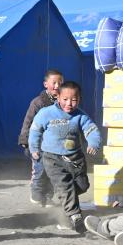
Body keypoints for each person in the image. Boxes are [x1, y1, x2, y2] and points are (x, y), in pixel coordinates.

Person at [28, 81, 102, 233]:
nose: (69, 103)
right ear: (58, 97)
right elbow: (35, 131)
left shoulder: (80, 115)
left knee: (83, 185)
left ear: (79, 99)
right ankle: (75, 216)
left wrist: (93, 143)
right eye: (65, 99)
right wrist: (34, 148)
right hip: (52, 158)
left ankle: (65, 199)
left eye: (74, 100)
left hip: (75, 159)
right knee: (65, 186)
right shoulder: (46, 113)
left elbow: (92, 130)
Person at [18, 68, 63, 206]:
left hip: (56, 145)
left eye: (60, 83)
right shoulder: (38, 102)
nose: (57, 86)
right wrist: (25, 140)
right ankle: (36, 194)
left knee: (53, 172)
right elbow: (28, 121)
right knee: (40, 170)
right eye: (54, 83)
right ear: (45, 84)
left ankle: (48, 196)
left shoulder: (64, 102)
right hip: (39, 144)